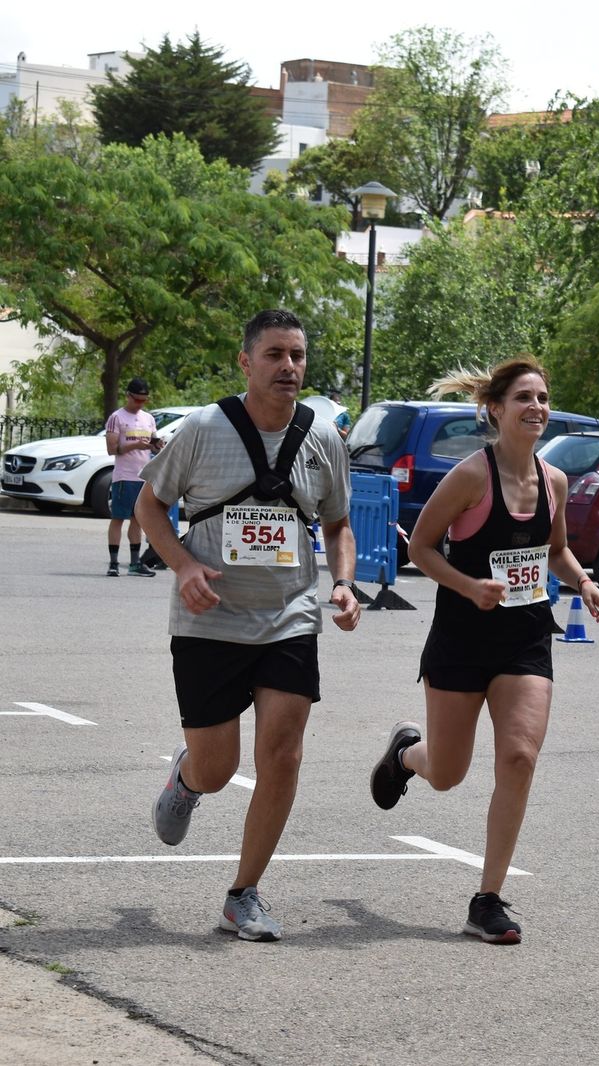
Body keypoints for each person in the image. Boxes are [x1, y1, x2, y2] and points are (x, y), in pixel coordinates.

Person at [367, 358, 599, 945]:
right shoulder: (471, 477)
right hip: (461, 636)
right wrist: (470, 586)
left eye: (544, 397)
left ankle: (488, 898)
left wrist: (583, 582)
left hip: (525, 638)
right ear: (495, 409)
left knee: (519, 758)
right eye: (524, 397)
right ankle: (407, 755)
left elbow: (555, 550)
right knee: (447, 773)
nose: (537, 407)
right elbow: (422, 548)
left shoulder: (555, 481)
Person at [137, 309, 361, 942]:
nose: (288, 367)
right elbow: (149, 504)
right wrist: (181, 566)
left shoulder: (324, 439)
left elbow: (339, 523)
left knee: (283, 756)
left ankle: (244, 893)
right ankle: (187, 779)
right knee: (218, 765)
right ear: (246, 361)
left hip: (290, 617)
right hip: (208, 619)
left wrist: (342, 585)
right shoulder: (204, 430)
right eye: (274, 355)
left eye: (297, 355)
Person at [105, 377, 161, 577]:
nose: (140, 404)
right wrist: (135, 445)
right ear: (128, 396)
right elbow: (112, 449)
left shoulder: (148, 418)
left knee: (137, 519)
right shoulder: (117, 417)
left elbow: (153, 441)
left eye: (143, 400)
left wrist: (156, 445)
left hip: (142, 476)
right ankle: (113, 563)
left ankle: (135, 563)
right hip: (124, 476)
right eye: (136, 399)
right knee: (118, 518)